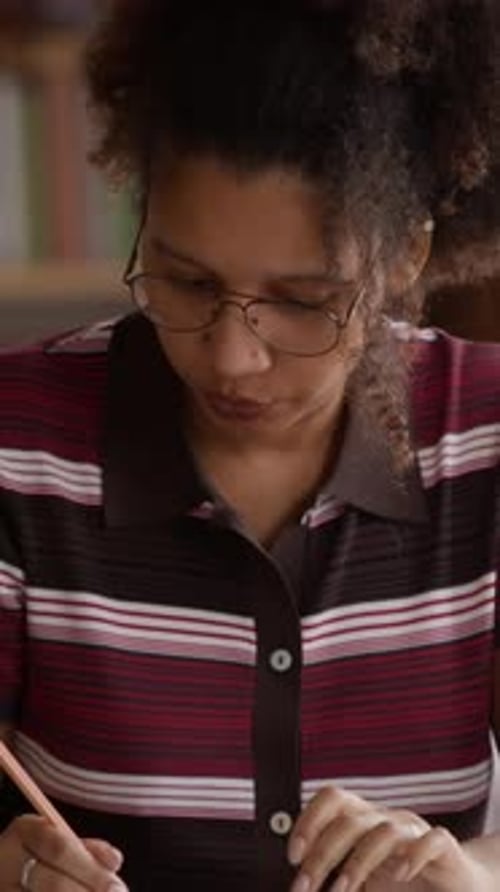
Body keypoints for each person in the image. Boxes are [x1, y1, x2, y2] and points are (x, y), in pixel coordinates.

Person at [1, 1, 500, 890]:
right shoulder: (17, 438)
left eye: (304, 299)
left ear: (406, 257)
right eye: (185, 281)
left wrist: (475, 871)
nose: (232, 358)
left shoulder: (487, 433)